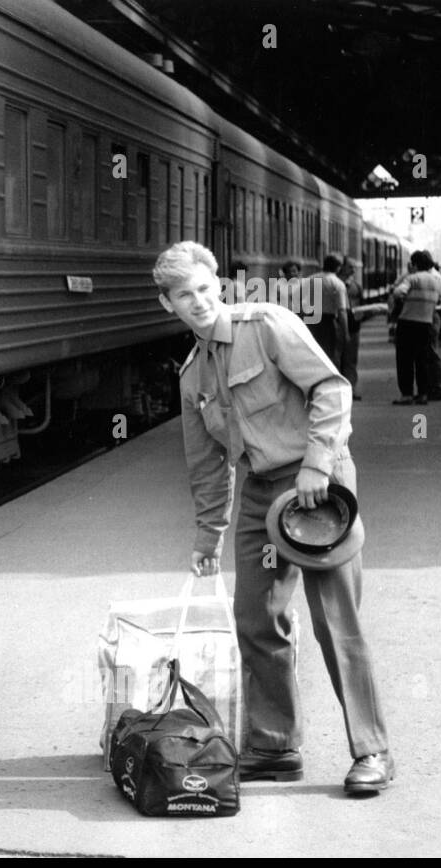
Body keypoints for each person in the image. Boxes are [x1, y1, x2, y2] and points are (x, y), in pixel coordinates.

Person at [153, 240, 394, 795]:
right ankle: (274, 745)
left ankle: (372, 751)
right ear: (168, 305)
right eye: (183, 295)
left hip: (318, 483)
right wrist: (207, 535)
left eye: (205, 288)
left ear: (221, 285)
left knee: (337, 619)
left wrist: (317, 464)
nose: (198, 301)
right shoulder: (192, 376)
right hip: (262, 494)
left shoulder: (267, 325)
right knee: (257, 618)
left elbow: (331, 389)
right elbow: (207, 466)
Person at [389, 250, 441, 404]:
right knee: (422, 360)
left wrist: (404, 299)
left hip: (407, 322)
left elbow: (398, 293)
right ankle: (423, 394)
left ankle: (406, 394)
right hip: (426, 323)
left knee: (405, 360)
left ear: (415, 264)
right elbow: (440, 301)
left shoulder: (412, 278)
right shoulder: (436, 281)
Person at [305, 254, 350, 370]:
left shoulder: (309, 279)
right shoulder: (337, 284)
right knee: (331, 355)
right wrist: (346, 332)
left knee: (313, 354)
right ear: (338, 268)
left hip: (310, 320)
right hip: (329, 323)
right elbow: (342, 311)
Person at [339, 258, 363, 399]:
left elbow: (360, 306)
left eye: (354, 267)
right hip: (336, 326)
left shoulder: (356, 287)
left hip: (353, 327)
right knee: (336, 358)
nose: (353, 270)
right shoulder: (336, 284)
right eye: (350, 267)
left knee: (350, 360)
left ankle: (350, 389)